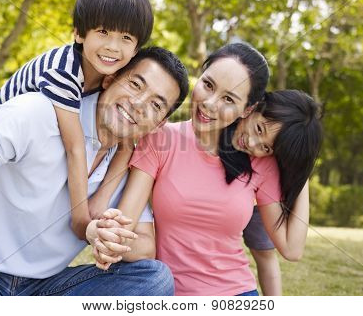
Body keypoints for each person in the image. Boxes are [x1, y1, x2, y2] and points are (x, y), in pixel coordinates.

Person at [0, 47, 189, 296]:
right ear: (110, 79)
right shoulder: (37, 113)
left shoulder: (123, 164)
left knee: (155, 280)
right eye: (135, 84)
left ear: (159, 124)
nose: (139, 104)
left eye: (156, 104)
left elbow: (145, 246)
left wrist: (108, 238)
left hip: (43, 290)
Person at [97, 43, 323, 296]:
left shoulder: (262, 162)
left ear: (248, 108)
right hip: (167, 292)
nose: (210, 104)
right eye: (208, 85)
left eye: (228, 99)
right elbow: (125, 223)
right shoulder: (160, 139)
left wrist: (299, 170)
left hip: (237, 294)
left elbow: (292, 249)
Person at [0, 0, 153, 240]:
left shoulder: (104, 78)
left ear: (136, 48)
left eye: (126, 38)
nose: (113, 47)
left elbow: (127, 143)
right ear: (79, 33)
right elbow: (75, 147)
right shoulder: (65, 71)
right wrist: (81, 221)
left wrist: (102, 196)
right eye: (103, 32)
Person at [233, 90, 323, 295]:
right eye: (258, 129)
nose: (252, 143)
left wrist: (302, 175)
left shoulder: (266, 167)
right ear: (254, 107)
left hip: (258, 201)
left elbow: (293, 250)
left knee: (264, 254)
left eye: (265, 148)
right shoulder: (227, 117)